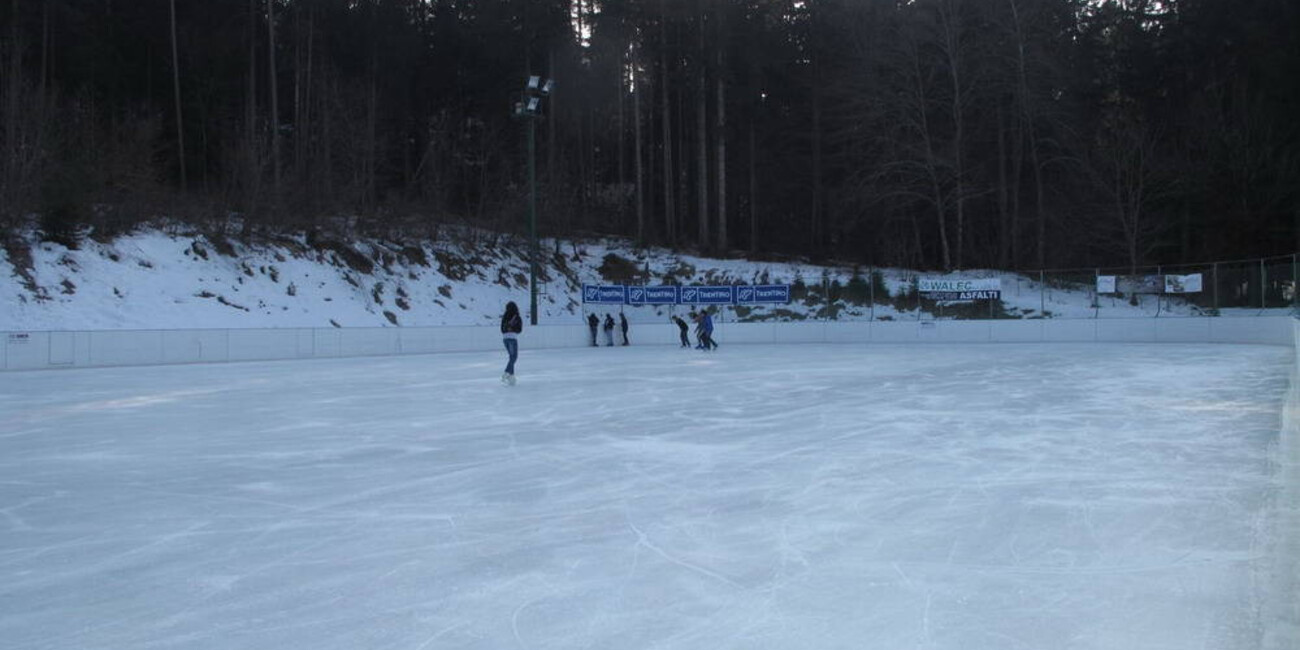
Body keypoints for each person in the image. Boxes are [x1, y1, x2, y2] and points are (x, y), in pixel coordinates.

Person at [500, 301, 523, 385]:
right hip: (512, 338)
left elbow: (502, 330)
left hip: (505, 339)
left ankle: (511, 377)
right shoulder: (517, 317)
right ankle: (507, 372)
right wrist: (513, 329)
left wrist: (507, 329)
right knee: (514, 357)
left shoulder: (504, 317)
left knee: (511, 357)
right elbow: (519, 329)